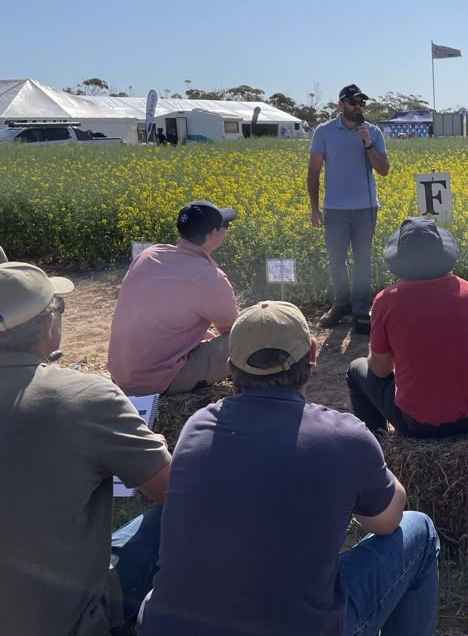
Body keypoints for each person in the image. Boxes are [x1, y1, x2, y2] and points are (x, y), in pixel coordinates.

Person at [138, 301, 439, 636]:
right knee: (421, 530)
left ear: (230, 367)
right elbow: (386, 521)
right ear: (311, 355)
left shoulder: (198, 425)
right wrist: (375, 473)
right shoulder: (345, 437)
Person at [0, 262, 171, 635]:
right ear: (48, 323)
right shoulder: (87, 397)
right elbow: (172, 491)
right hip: (62, 621)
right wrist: (152, 450)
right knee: (164, 522)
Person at [346, 217, 468, 437]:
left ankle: (377, 443)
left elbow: (380, 369)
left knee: (355, 370)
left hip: (416, 423)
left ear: (400, 260)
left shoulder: (385, 301)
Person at [107, 200, 239, 396]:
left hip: (121, 376)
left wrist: (198, 335)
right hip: (157, 382)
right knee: (246, 337)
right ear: (212, 234)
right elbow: (234, 329)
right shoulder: (210, 277)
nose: (227, 231)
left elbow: (161, 310)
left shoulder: (148, 255)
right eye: (225, 226)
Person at [308, 83, 390, 334]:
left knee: (363, 261)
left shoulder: (373, 132)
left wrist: (367, 145)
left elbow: (384, 169)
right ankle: (341, 304)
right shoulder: (323, 132)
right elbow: (313, 172)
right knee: (336, 260)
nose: (359, 107)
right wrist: (314, 207)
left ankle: (360, 308)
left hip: (366, 208)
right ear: (342, 103)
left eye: (362, 103)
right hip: (334, 209)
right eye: (354, 102)